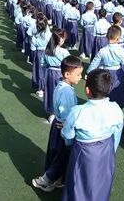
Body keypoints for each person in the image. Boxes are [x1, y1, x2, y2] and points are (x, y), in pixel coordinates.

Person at [60, 68, 124, 200]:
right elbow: (117, 132)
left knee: (78, 183)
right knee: (102, 182)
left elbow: (68, 135)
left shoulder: (77, 111)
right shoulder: (115, 108)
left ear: (87, 90)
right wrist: (113, 150)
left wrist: (69, 145)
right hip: (107, 150)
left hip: (82, 151)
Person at [31, 55, 83, 193]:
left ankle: (59, 178)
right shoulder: (66, 91)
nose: (80, 77)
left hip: (58, 125)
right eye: (78, 74)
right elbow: (67, 113)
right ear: (67, 74)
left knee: (57, 154)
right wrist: (68, 124)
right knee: (61, 155)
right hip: (63, 128)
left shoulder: (60, 85)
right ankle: (46, 180)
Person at [88, 25, 124, 108]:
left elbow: (94, 62)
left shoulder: (102, 50)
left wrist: (88, 72)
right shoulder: (120, 49)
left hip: (105, 72)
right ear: (118, 38)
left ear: (107, 36)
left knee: (105, 90)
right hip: (118, 73)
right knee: (118, 91)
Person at [42, 28, 70, 121]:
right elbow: (69, 63)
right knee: (62, 92)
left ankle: (52, 113)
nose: (63, 40)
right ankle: (61, 111)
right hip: (61, 73)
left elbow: (43, 63)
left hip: (50, 72)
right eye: (62, 38)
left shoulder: (47, 51)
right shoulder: (64, 52)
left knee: (51, 92)